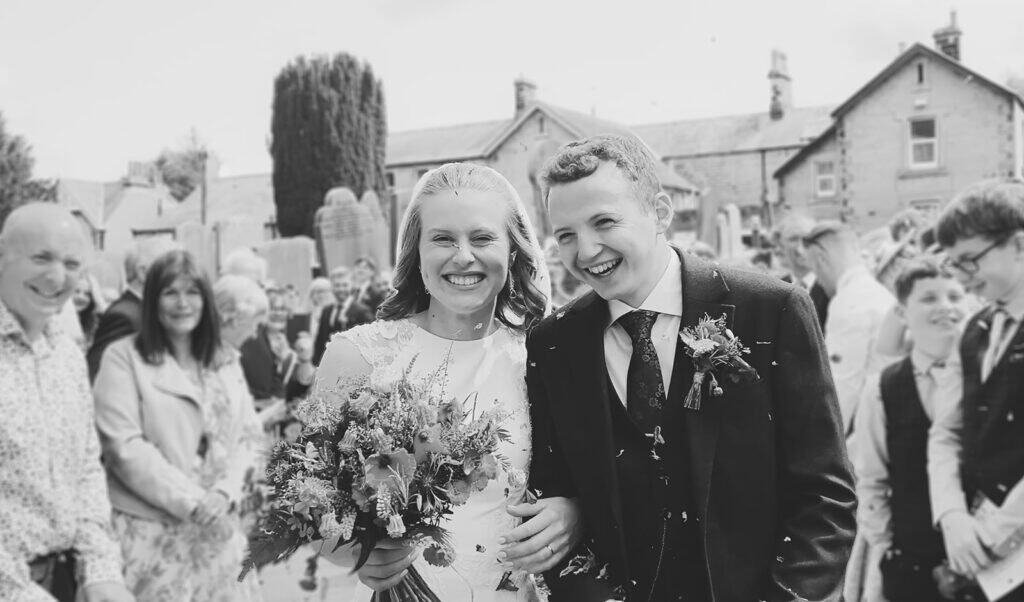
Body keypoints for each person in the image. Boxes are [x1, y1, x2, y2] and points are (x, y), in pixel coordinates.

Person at [506, 134, 856, 601]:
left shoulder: (772, 310)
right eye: (566, 234)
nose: (586, 252)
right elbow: (555, 496)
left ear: (661, 213)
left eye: (604, 222)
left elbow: (825, 496)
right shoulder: (553, 343)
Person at [317, 162, 555, 600]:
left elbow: (584, 476)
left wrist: (573, 513)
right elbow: (312, 504)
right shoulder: (358, 355)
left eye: (482, 238)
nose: (463, 256)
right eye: (443, 238)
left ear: (514, 251)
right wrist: (356, 551)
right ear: (417, 251)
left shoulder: (540, 357)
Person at [92, 250, 263, 601]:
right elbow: (124, 446)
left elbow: (249, 436)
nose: (182, 303)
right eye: (170, 292)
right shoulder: (124, 357)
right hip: (154, 536)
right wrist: (194, 501)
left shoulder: (223, 359)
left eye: (192, 292)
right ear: (153, 299)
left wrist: (225, 492)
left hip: (219, 533)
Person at [0, 203, 132, 602]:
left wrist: (101, 569)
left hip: (64, 581)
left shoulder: (67, 354)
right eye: (41, 258)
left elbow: (86, 467)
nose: (57, 277)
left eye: (72, 263)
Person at [929, 179, 1024, 601]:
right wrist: (951, 516)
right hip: (977, 553)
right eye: (955, 265)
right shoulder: (974, 327)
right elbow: (946, 431)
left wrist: (991, 534)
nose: (964, 280)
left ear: (1018, 245)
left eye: (970, 261)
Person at [854, 258, 967, 601]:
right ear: (902, 312)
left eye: (955, 296)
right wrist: (890, 548)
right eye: (929, 298)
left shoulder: (987, 375)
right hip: (912, 565)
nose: (945, 307)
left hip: (987, 560)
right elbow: (871, 479)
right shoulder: (882, 389)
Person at [87, 237, 177, 380]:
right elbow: (98, 375)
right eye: (173, 271)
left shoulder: (142, 312)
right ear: (143, 272)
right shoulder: (125, 317)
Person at [774, 213, 830, 330]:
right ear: (781, 245)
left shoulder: (833, 288)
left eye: (806, 238)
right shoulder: (775, 289)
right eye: (793, 239)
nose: (800, 248)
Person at [312, 266, 374, 364]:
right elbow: (320, 341)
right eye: (337, 285)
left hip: (353, 365)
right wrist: (316, 364)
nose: (341, 289)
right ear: (332, 287)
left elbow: (370, 342)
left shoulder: (362, 311)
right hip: (329, 364)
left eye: (345, 285)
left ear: (351, 285)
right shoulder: (326, 311)